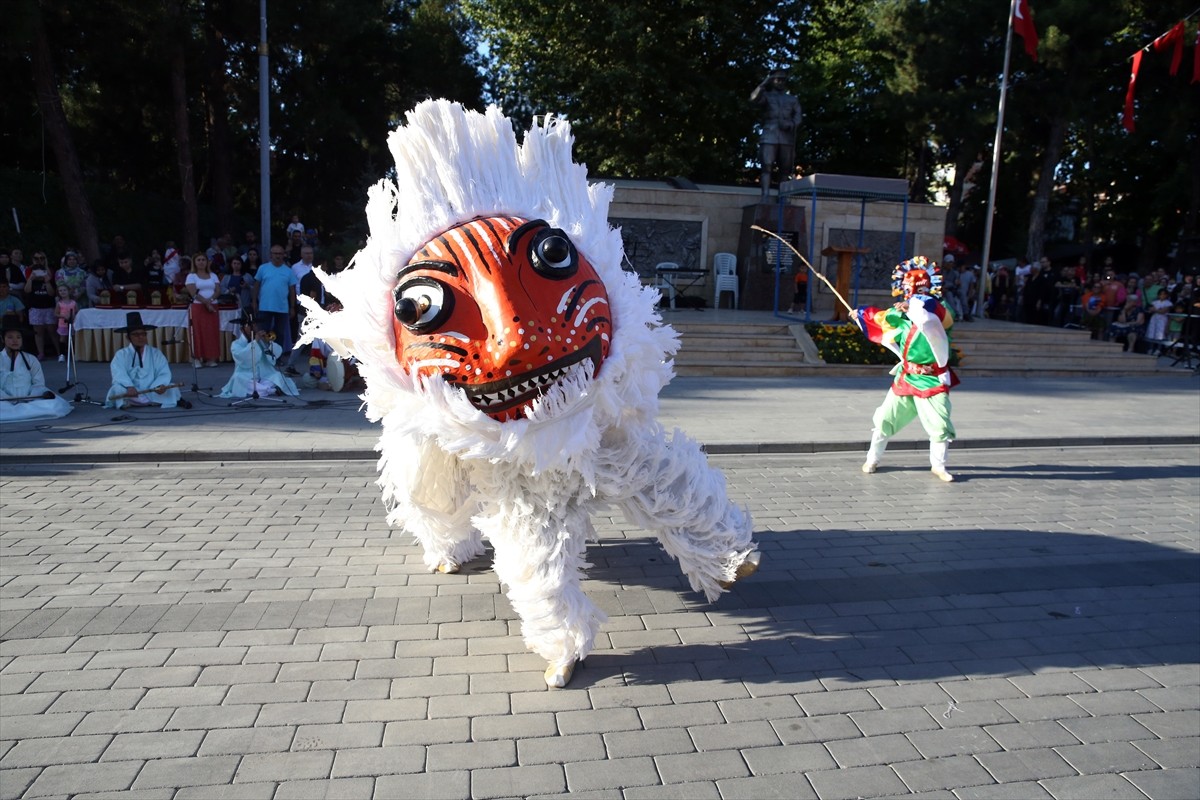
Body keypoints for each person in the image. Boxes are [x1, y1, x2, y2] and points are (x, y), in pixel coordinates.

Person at [850, 256, 959, 482]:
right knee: (884, 418)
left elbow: (931, 314)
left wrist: (915, 305)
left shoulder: (941, 311)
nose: (911, 294)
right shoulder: (899, 312)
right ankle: (872, 458)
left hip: (932, 378)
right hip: (907, 377)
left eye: (918, 290)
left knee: (940, 423)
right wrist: (859, 314)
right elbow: (879, 319)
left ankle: (938, 466)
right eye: (909, 290)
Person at [104, 312, 189, 409]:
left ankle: (137, 401)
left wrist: (159, 385)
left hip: (152, 390)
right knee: (117, 389)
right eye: (136, 335)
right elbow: (118, 373)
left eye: (143, 334)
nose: (140, 337)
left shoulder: (156, 353)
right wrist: (129, 386)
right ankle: (137, 401)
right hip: (131, 392)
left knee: (171, 387)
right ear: (128, 338)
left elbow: (163, 372)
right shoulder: (121, 354)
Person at [0, 323, 72, 423]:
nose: (15, 340)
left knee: (53, 405)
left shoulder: (31, 359)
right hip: (4, 401)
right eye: (10, 337)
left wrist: (30, 397)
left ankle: (22, 410)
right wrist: (7, 398)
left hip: (30, 399)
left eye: (18, 337)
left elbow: (38, 383)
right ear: (3, 339)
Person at [218, 311, 299, 398]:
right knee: (238, 378)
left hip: (264, 375)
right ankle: (272, 390)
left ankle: (264, 390)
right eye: (250, 326)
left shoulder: (261, 341)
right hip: (247, 375)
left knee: (277, 376)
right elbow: (243, 358)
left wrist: (267, 343)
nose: (253, 328)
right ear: (242, 329)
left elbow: (276, 354)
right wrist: (254, 342)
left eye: (255, 325)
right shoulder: (236, 344)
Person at [750, 70, 803, 197]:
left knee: (785, 170)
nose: (780, 82)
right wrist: (764, 83)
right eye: (777, 79)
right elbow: (753, 99)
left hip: (786, 137)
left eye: (783, 80)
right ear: (771, 81)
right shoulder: (766, 96)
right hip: (769, 135)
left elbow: (798, 117)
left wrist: (790, 124)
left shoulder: (792, 99)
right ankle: (765, 196)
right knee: (766, 167)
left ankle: (783, 197)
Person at [252, 245, 298, 362]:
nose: (277, 256)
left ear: (283, 255)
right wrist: (254, 302)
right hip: (264, 306)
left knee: (279, 334)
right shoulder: (263, 268)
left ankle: (277, 358)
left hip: (282, 308)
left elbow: (292, 290)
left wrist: (292, 307)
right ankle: (262, 356)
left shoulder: (288, 271)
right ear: (270, 255)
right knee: (263, 332)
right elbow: (256, 286)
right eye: (275, 253)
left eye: (280, 253)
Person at [185, 252, 222, 368]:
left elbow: (217, 291)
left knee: (211, 332)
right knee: (197, 332)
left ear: (207, 262)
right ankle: (196, 358)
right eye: (198, 260)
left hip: (212, 306)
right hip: (198, 307)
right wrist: (206, 303)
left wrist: (210, 301)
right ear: (194, 263)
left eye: (203, 260)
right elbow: (193, 292)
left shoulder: (213, 275)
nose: (201, 262)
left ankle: (211, 358)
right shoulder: (191, 276)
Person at [23, 255, 56, 359]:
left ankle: (59, 352)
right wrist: (30, 279)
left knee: (52, 331)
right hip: (35, 308)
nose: (38, 274)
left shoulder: (48, 280)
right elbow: (27, 291)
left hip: (49, 307)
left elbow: (52, 293)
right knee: (38, 332)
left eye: (40, 271)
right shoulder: (31, 280)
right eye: (36, 271)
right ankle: (41, 353)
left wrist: (47, 281)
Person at [53, 285, 77, 363]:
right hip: (63, 323)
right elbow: (56, 314)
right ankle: (62, 355)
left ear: (69, 291)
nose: (62, 292)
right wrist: (63, 316)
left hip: (72, 323)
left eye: (64, 290)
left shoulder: (73, 302)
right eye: (60, 290)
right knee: (62, 338)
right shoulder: (59, 303)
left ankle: (74, 354)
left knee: (73, 338)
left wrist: (74, 316)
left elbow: (77, 311)